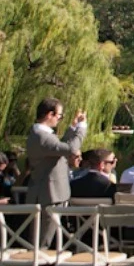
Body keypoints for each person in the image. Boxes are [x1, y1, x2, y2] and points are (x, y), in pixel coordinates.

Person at [25, 97, 87, 245]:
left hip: (49, 192)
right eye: (60, 116)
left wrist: (72, 127)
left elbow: (59, 147)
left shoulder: (40, 134)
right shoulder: (42, 137)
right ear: (49, 114)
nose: (60, 119)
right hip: (49, 194)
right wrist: (82, 128)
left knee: (43, 239)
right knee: (42, 240)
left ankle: (38, 264)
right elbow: (71, 149)